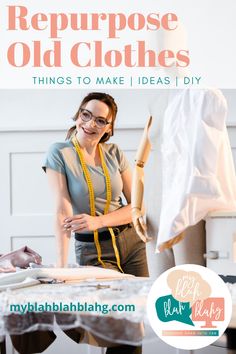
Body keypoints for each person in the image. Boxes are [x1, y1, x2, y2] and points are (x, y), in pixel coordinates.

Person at [43, 92, 149, 354]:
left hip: (132, 244)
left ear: (109, 127)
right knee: (117, 329)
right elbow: (62, 211)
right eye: (86, 115)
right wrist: (60, 267)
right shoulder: (59, 152)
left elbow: (138, 206)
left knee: (133, 326)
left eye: (101, 121)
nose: (90, 124)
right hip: (94, 250)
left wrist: (98, 220)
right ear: (78, 115)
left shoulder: (114, 152)